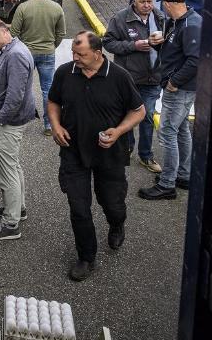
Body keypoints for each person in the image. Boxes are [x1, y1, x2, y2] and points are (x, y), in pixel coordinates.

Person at [48, 31, 147, 281]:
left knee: (111, 203)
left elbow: (139, 111)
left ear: (97, 53)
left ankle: (116, 223)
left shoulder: (119, 77)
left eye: (80, 54)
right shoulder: (65, 73)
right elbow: (53, 102)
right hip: (73, 151)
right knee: (79, 208)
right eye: (73, 53)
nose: (75, 58)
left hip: (109, 154)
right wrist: (56, 126)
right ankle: (86, 257)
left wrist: (119, 130)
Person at [139, 0, 202, 200]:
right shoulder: (180, 22)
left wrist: (175, 81)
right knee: (182, 130)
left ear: (166, 4)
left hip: (179, 90)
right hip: (181, 88)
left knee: (167, 133)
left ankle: (167, 184)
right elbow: (177, 52)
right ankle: (183, 175)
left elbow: (195, 60)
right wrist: (160, 43)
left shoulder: (190, 25)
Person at [0, 19, 36, 240]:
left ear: (5, 31)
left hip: (8, 122)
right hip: (11, 119)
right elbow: (6, 86)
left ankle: (10, 224)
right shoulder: (9, 49)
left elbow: (15, 97)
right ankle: (18, 209)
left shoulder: (15, 55)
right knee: (13, 165)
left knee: (6, 171)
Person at [103, 0, 165, 174]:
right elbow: (108, 42)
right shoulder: (120, 18)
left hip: (153, 77)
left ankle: (146, 155)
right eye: (143, 2)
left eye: (150, 1)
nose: (147, 5)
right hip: (129, 78)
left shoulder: (161, 18)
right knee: (127, 115)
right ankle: (126, 148)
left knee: (147, 116)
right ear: (134, 1)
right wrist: (133, 45)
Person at [10, 0, 66, 135]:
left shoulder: (23, 7)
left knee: (21, 88)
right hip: (48, 52)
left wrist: (22, 46)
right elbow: (61, 33)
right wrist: (51, 46)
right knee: (48, 90)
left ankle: (19, 121)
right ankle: (49, 125)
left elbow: (14, 32)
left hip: (26, 53)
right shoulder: (56, 7)